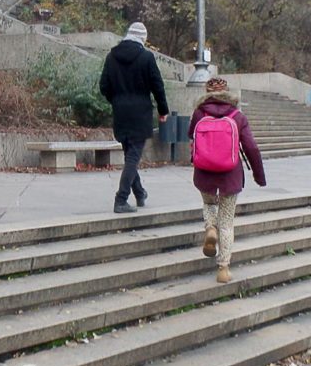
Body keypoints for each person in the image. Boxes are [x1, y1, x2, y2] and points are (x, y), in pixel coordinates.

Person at [188, 77, 266, 283]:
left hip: (204, 172)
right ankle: (223, 268)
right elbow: (252, 148)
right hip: (230, 174)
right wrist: (259, 175)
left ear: (206, 93)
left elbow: (191, 136)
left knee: (208, 203)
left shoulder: (199, 113)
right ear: (228, 93)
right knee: (227, 222)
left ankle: (209, 228)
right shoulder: (237, 116)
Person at [99, 22, 169, 213]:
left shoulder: (111, 57)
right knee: (133, 157)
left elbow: (103, 86)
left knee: (130, 153)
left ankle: (139, 192)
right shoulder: (147, 57)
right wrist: (163, 111)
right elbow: (158, 86)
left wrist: (117, 100)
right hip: (140, 113)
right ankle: (121, 199)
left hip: (121, 112)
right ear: (142, 39)